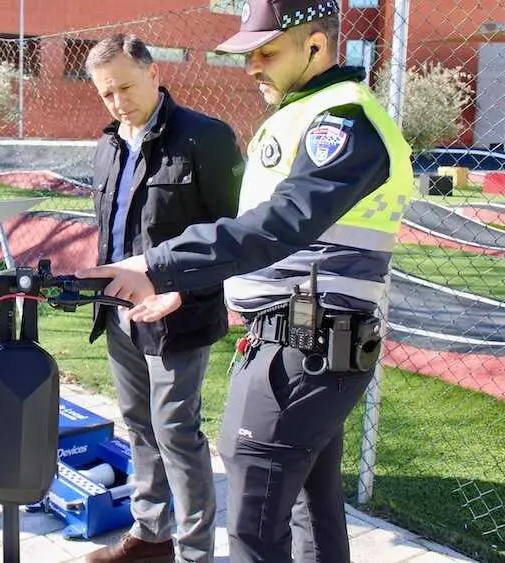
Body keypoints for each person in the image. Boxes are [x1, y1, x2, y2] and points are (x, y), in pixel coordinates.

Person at [78, 1, 415, 561]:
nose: (252, 66)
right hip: (301, 341)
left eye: (267, 51)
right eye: (249, 53)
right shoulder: (306, 112)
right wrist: (179, 281)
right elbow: (249, 234)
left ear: (316, 46)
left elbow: (281, 222)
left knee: (255, 525)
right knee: (314, 507)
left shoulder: (344, 121)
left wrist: (158, 264)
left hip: (306, 345)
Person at [79, 34, 243, 563]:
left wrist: (181, 290)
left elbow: (234, 235)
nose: (119, 101)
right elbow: (110, 230)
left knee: (177, 433)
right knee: (138, 426)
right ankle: (151, 537)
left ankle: (196, 554)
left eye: (126, 86)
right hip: (121, 313)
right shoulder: (107, 145)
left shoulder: (206, 138)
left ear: (154, 74)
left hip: (179, 315)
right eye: (107, 94)